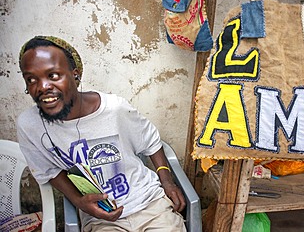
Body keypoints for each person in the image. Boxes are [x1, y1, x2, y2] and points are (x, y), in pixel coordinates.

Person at [16, 36, 187, 231]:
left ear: (75, 75)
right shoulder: (30, 126)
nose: (43, 87)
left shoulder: (114, 109)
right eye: (31, 79)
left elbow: (151, 141)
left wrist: (167, 181)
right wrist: (79, 201)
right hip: (100, 217)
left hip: (149, 204)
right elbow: (50, 171)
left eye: (53, 76)